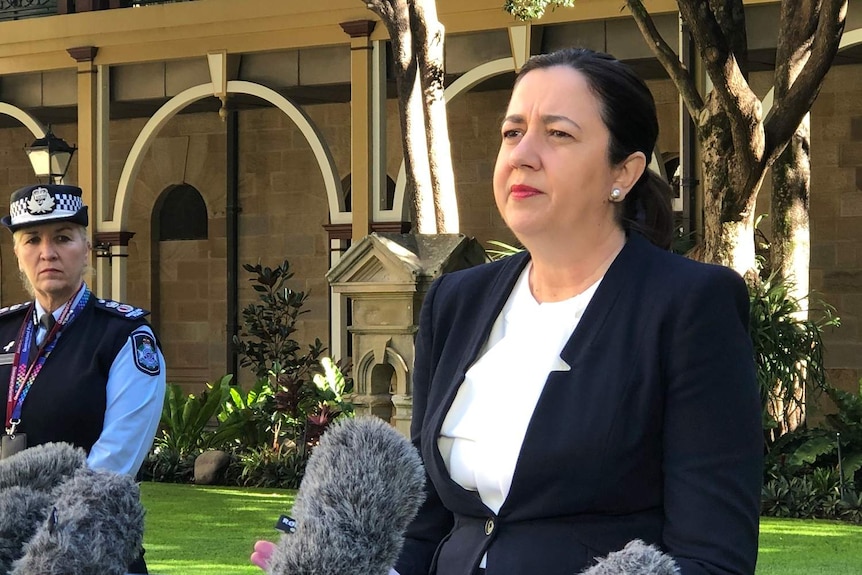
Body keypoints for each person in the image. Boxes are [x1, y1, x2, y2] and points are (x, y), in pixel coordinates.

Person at [251, 47, 762, 575]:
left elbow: (713, 558)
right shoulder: (456, 302)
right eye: (512, 132)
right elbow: (428, 526)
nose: (523, 154)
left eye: (558, 133)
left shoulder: (689, 304)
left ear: (625, 172)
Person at [0, 183, 166, 574]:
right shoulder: (3, 331)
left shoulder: (123, 335)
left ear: (86, 248)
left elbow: (111, 466)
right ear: (16, 254)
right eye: (32, 240)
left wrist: (43, 548)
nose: (47, 252)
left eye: (62, 237)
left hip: (86, 553)